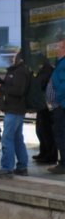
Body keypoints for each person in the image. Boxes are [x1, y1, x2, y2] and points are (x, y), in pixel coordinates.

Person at [0, 44, 31, 178]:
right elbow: (13, 86)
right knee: (17, 139)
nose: (7, 60)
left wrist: (1, 86)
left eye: (9, 57)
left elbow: (18, 91)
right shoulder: (14, 70)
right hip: (14, 109)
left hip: (14, 109)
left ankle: (7, 168)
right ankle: (22, 167)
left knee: (7, 139)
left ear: (16, 57)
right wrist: (2, 82)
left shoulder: (19, 71)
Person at [31, 55, 57, 167]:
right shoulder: (42, 70)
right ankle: (44, 152)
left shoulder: (48, 70)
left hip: (47, 106)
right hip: (42, 105)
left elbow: (40, 84)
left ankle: (50, 156)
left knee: (46, 131)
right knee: (41, 130)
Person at [48, 38, 65, 176]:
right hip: (59, 105)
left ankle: (63, 164)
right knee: (59, 133)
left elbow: (63, 85)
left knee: (61, 134)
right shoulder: (60, 63)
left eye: (59, 47)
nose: (56, 50)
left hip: (61, 105)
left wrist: (57, 99)